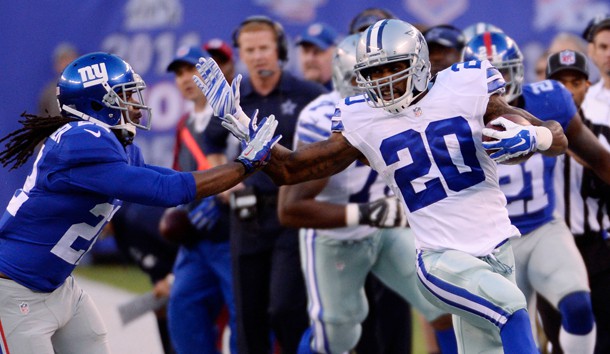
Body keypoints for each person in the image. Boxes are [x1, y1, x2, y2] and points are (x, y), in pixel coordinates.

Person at [196, 19, 568, 353]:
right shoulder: (364, 119)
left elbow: (555, 136)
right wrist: (244, 125)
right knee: (512, 309)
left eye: (394, 67)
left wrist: (534, 137)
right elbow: (291, 171)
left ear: (420, 62)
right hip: (440, 259)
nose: (385, 81)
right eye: (375, 72)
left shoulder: (466, 86)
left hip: (498, 247)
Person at [0, 51, 279, 354]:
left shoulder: (114, 143)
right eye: (125, 95)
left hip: (59, 287)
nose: (135, 105)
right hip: (15, 291)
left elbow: (171, 180)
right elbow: (168, 190)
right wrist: (245, 164)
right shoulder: (80, 141)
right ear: (97, 103)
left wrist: (241, 161)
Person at [278, 33, 456, 354]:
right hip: (335, 235)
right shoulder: (323, 117)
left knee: (444, 301)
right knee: (337, 339)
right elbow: (291, 209)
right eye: (364, 76)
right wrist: (366, 213)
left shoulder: (405, 105)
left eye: (389, 70)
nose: (378, 83)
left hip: (385, 227)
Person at [463, 31, 610, 353]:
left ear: (518, 71)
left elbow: (598, 157)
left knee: (578, 306)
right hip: (490, 241)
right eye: (487, 76)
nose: (497, 85)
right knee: (514, 338)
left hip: (543, 227)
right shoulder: (452, 120)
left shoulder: (549, 99)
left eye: (503, 73)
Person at [200, 15, 327, 354]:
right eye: (249, 49)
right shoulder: (233, 97)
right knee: (248, 316)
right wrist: (226, 186)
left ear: (280, 49)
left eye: (264, 48)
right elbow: (210, 144)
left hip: (292, 215)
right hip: (247, 216)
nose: (257, 56)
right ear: (241, 52)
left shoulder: (310, 94)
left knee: (286, 308)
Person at [163, 44, 238, 354]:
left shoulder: (233, 116)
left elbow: (257, 166)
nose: (185, 78)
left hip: (233, 236)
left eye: (191, 69)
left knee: (245, 319)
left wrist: (221, 198)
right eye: (179, 73)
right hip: (196, 241)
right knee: (183, 309)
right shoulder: (183, 126)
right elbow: (180, 177)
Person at [38, 43, 79, 117]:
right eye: (63, 60)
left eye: (70, 59)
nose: (67, 63)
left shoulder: (89, 84)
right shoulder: (49, 92)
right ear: (56, 65)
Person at [295, 22, 339, 90]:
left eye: (317, 51)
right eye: (305, 51)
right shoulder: (291, 96)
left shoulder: (346, 95)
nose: (309, 58)